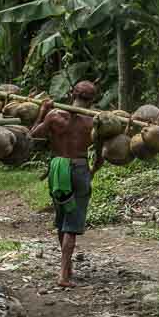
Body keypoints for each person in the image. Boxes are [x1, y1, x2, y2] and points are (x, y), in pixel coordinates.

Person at [30, 81, 103, 288]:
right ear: (93, 99)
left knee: (62, 217)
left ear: (72, 93)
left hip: (57, 167)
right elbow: (99, 156)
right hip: (79, 167)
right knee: (72, 221)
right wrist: (92, 171)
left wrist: (42, 111)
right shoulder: (95, 122)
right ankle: (63, 274)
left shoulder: (54, 115)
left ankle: (67, 267)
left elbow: (33, 134)